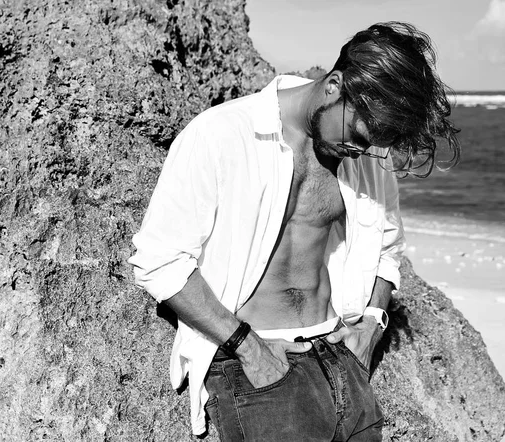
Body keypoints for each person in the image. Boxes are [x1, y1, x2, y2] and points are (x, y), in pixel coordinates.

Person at [128, 21, 460, 441]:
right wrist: (248, 348)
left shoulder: (368, 156)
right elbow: (160, 262)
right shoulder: (221, 134)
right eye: (359, 134)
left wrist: (372, 325)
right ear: (334, 85)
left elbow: (387, 251)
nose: (361, 149)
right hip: (258, 362)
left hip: (341, 358)